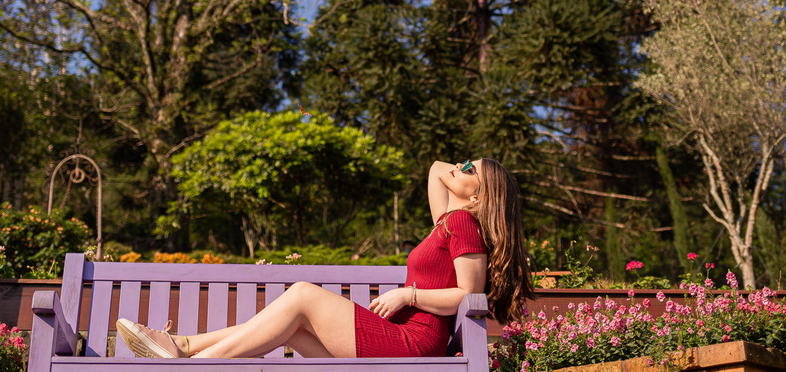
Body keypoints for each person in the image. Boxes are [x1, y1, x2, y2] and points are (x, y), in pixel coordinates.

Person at [115, 158, 533, 360]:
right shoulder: (448, 222)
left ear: (480, 196)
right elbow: (435, 169)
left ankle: (188, 367)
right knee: (292, 327)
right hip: (402, 336)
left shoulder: (463, 223)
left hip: (414, 343)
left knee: (302, 296)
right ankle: (183, 347)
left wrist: (408, 295)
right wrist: (463, 173)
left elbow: (468, 294)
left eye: (469, 169)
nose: (457, 165)